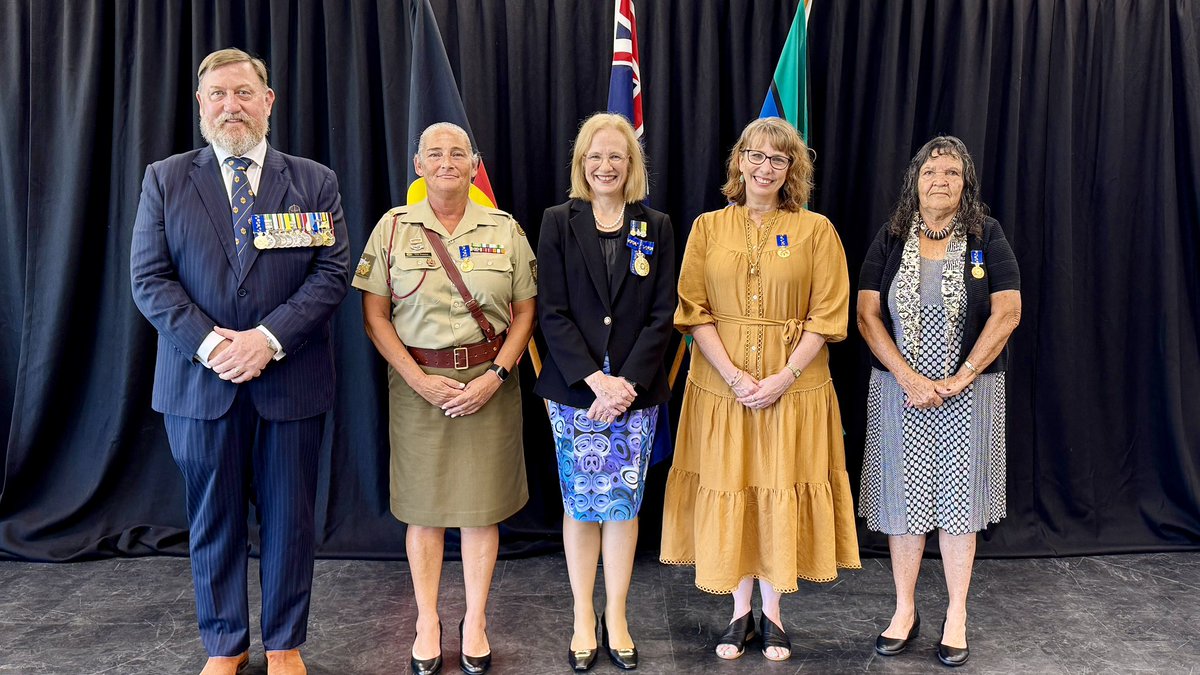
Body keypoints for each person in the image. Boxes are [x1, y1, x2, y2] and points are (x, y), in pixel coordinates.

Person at [130, 48, 350, 675]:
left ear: (268, 101)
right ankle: (224, 647)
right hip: (200, 385)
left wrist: (267, 339)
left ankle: (284, 644)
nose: (232, 105)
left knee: (289, 520)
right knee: (213, 518)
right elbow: (149, 280)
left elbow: (331, 274)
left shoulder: (314, 181)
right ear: (201, 105)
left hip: (291, 381)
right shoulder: (166, 179)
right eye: (218, 94)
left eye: (244, 93)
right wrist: (215, 345)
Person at [660, 117, 860, 662]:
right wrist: (733, 374)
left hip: (794, 388)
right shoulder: (707, 227)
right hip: (720, 388)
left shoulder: (817, 230)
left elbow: (829, 314)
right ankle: (738, 612)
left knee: (777, 485)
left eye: (778, 159)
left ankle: (773, 616)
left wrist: (782, 377)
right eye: (757, 155)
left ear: (791, 169)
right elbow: (693, 308)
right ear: (739, 161)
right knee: (735, 485)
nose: (765, 167)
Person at [352, 122, 536, 675]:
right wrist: (417, 379)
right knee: (425, 513)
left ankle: (474, 619)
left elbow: (526, 311)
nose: (447, 161)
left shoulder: (504, 229)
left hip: (490, 385)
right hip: (419, 389)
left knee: (482, 512)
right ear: (418, 164)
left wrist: (497, 377)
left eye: (458, 152)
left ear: (475, 164)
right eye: (435, 153)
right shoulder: (392, 228)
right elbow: (374, 316)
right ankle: (427, 619)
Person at [857, 136, 1021, 668]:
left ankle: (956, 614)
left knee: (958, 508)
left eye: (952, 173)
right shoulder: (891, 236)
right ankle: (904, 610)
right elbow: (866, 315)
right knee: (903, 507)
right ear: (915, 182)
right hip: (898, 391)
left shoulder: (985, 236)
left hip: (968, 394)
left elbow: (1008, 312)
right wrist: (907, 377)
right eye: (931, 172)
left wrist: (961, 377)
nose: (941, 181)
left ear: (965, 184)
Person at [534, 113, 676, 672]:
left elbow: (663, 314)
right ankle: (578, 615)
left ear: (632, 164)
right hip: (575, 391)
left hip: (635, 393)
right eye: (595, 156)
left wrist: (628, 384)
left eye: (616, 155)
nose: (605, 165)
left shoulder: (657, 224)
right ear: (581, 164)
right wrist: (595, 380)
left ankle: (615, 614)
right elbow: (552, 310)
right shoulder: (556, 221)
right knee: (580, 505)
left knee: (622, 505)